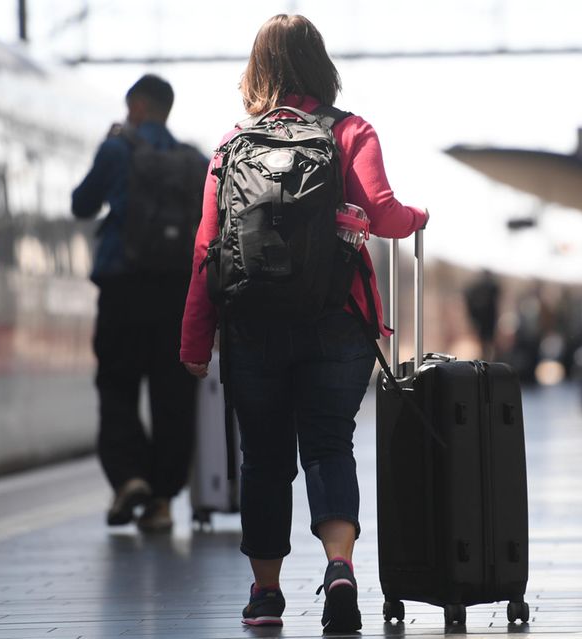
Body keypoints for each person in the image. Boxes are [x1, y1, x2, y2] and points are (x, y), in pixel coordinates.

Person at [180, 15, 429, 633]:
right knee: (328, 444)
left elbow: (206, 249)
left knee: (263, 457)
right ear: (322, 66)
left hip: (252, 327)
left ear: (256, 70)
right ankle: (339, 568)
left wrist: (194, 339)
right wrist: (420, 215)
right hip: (336, 321)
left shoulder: (232, 146)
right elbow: (385, 214)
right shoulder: (350, 132)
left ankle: (266, 595)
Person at [72, 74, 200, 533]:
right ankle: (163, 500)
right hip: (177, 294)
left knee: (117, 385)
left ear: (139, 107)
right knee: (173, 395)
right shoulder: (193, 161)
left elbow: (82, 205)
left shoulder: (116, 150)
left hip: (123, 288)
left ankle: (129, 478)